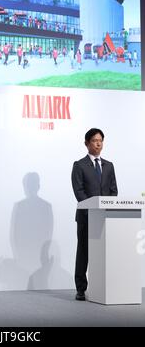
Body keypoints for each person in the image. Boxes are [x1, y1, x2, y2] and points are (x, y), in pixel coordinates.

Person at [71, 128, 118, 301]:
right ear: (86, 143)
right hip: (86, 217)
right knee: (83, 252)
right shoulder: (79, 165)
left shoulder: (109, 165)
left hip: (106, 217)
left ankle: (102, 287)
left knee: (104, 253)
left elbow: (114, 191)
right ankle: (81, 289)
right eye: (94, 140)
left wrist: (108, 208)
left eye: (101, 140)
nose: (98, 143)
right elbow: (79, 191)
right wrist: (93, 208)